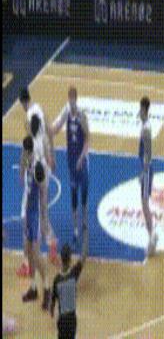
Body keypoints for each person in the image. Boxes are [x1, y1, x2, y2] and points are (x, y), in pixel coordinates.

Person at [19, 88, 58, 270]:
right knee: (43, 211)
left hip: (35, 174)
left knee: (27, 214)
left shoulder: (29, 120)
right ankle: (51, 243)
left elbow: (26, 154)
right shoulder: (40, 110)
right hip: (45, 170)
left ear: (22, 102)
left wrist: (22, 172)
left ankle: (27, 261)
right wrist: (52, 156)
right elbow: (49, 131)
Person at [50, 87, 90, 247]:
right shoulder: (66, 112)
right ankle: (75, 229)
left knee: (84, 195)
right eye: (69, 98)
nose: (71, 101)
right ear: (68, 98)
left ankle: (84, 222)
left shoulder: (81, 116)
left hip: (82, 160)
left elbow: (88, 138)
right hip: (71, 160)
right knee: (73, 195)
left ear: (76, 99)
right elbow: (56, 127)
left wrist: (82, 157)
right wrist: (47, 131)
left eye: (73, 98)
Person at [21, 150, 51, 311]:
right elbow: (27, 193)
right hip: (29, 215)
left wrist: (45, 224)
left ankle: (47, 288)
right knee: (28, 251)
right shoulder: (29, 166)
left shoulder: (38, 169)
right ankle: (33, 288)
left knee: (36, 254)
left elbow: (43, 196)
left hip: (36, 218)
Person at [50, 243, 87, 339]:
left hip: (62, 320)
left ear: (60, 258)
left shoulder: (56, 280)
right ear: (70, 259)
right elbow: (84, 255)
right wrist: (86, 236)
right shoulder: (73, 274)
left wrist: (52, 311)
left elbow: (52, 303)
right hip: (71, 320)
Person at [138, 97, 158, 256]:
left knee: (145, 205)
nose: (139, 112)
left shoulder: (146, 129)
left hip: (147, 170)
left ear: (144, 110)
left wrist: (143, 172)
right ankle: (152, 235)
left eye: (140, 109)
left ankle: (152, 237)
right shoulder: (145, 126)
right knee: (144, 204)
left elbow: (148, 153)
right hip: (146, 169)